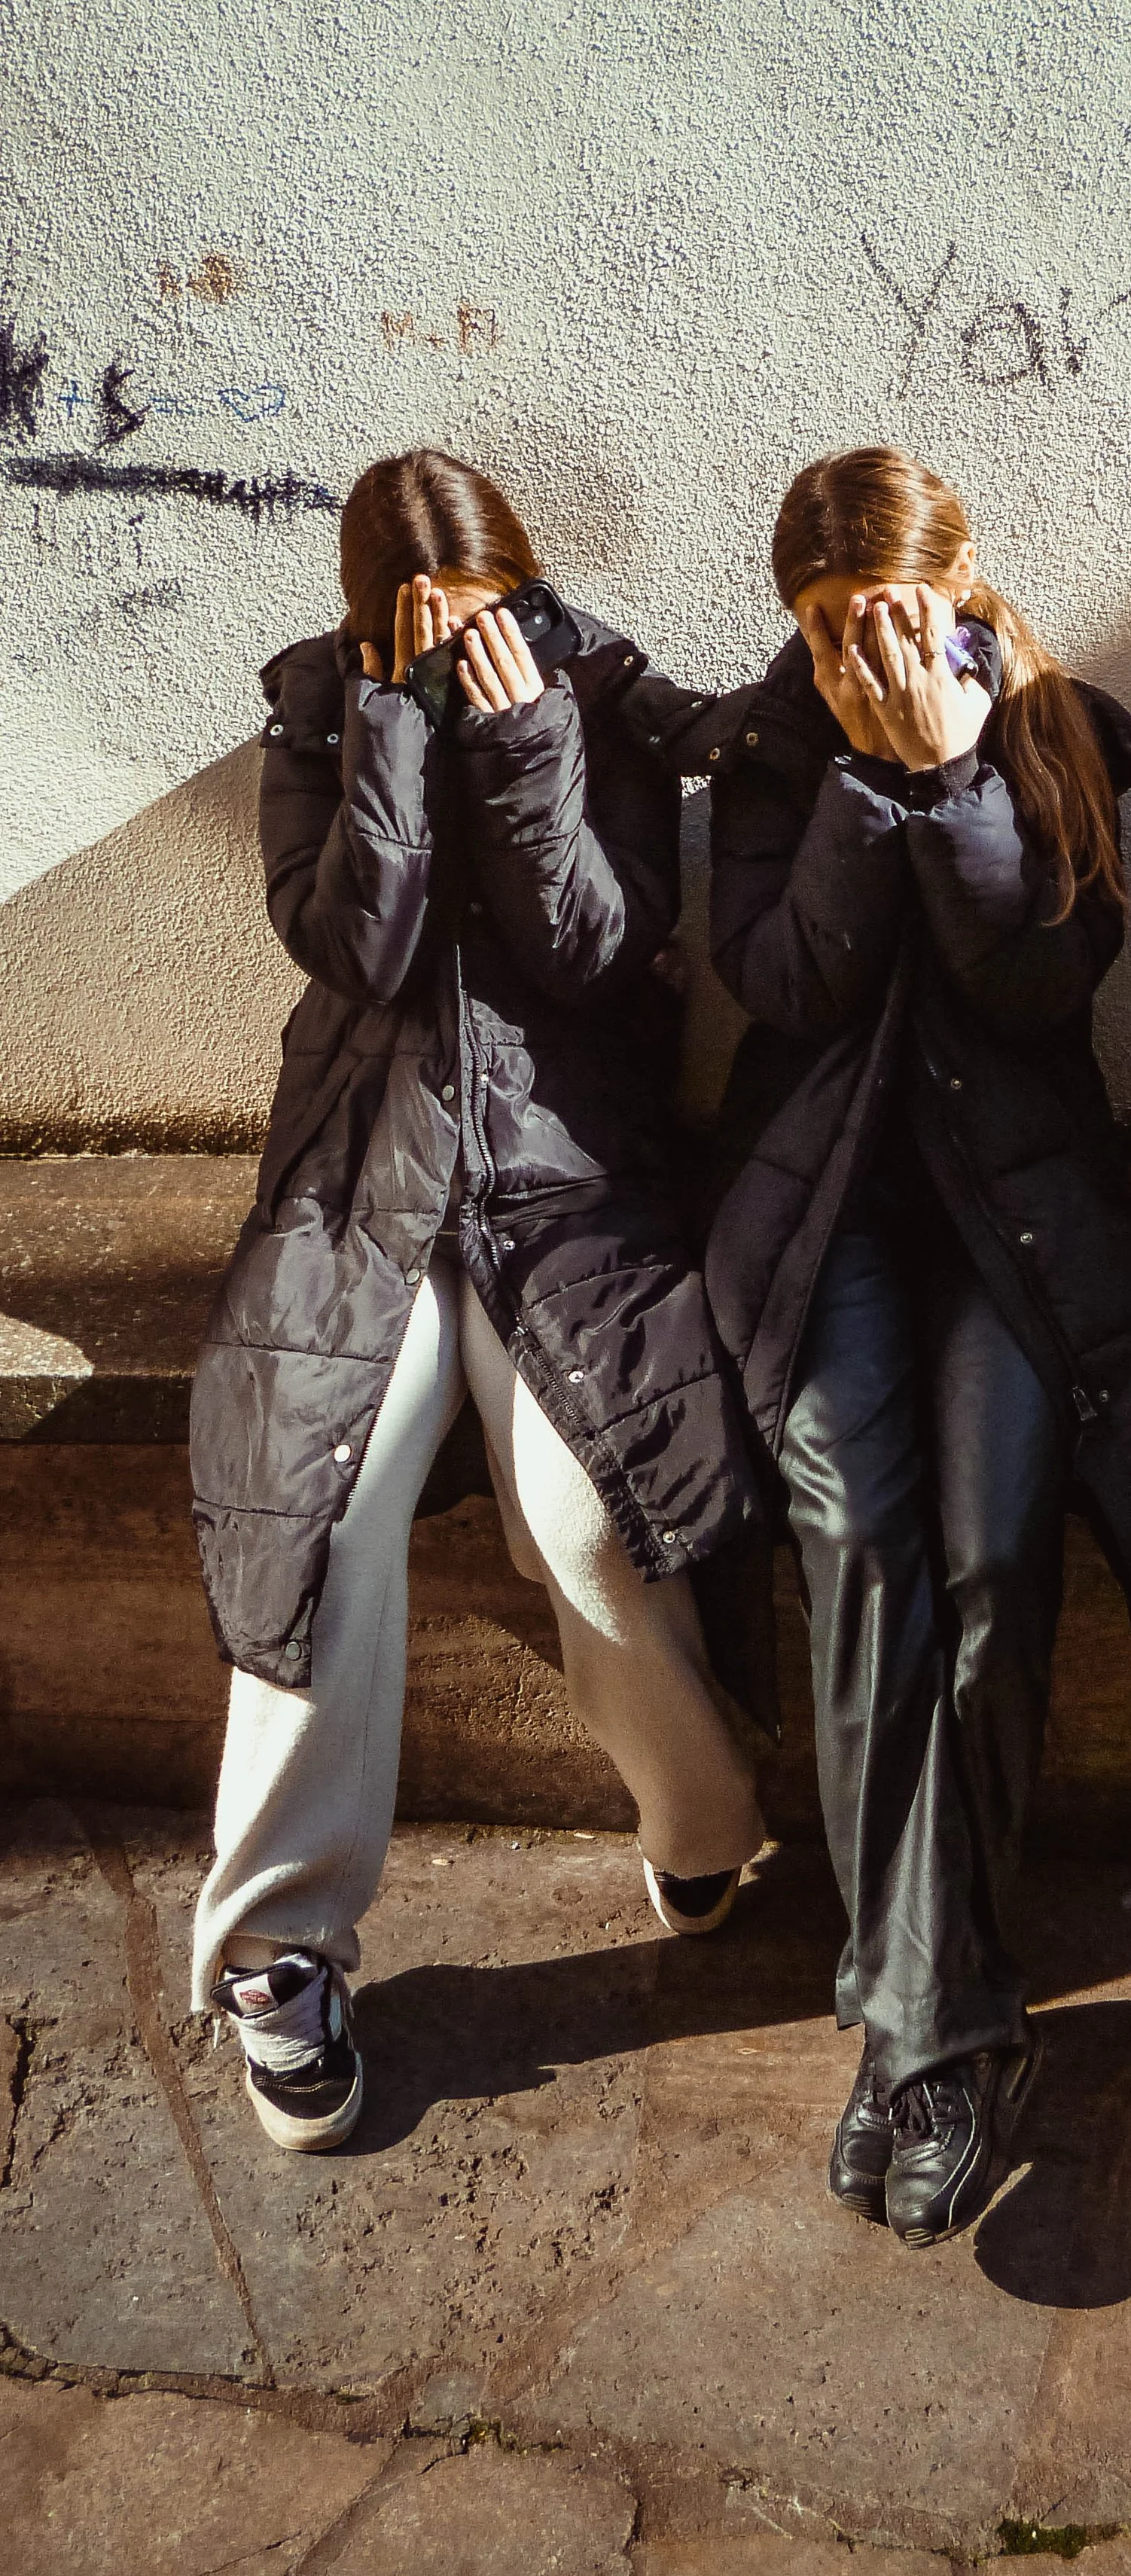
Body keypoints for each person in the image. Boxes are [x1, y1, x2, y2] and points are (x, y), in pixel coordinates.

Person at [680, 446, 1131, 2248]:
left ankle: (911, 2021)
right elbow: (780, 985)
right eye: (825, 627)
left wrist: (953, 775)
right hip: (831, 1217)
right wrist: (869, 783)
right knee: (858, 1543)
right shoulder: (773, 751)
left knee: (999, 1555)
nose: (861, 647)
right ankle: (946, 2031)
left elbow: (1037, 986)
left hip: (1016, 1231)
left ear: (956, 585)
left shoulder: (1052, 726)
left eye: (889, 615)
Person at [190, 449, 769, 2153]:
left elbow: (596, 948)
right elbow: (350, 946)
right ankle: (278, 1953)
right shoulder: (314, 710)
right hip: (362, 1179)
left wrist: (522, 749)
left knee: (585, 1517)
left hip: (559, 1179)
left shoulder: (597, 693)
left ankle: (699, 1825)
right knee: (321, 1505)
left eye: (489, 611)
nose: (466, 644)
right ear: (373, 616)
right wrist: (388, 733)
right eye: (427, 625)